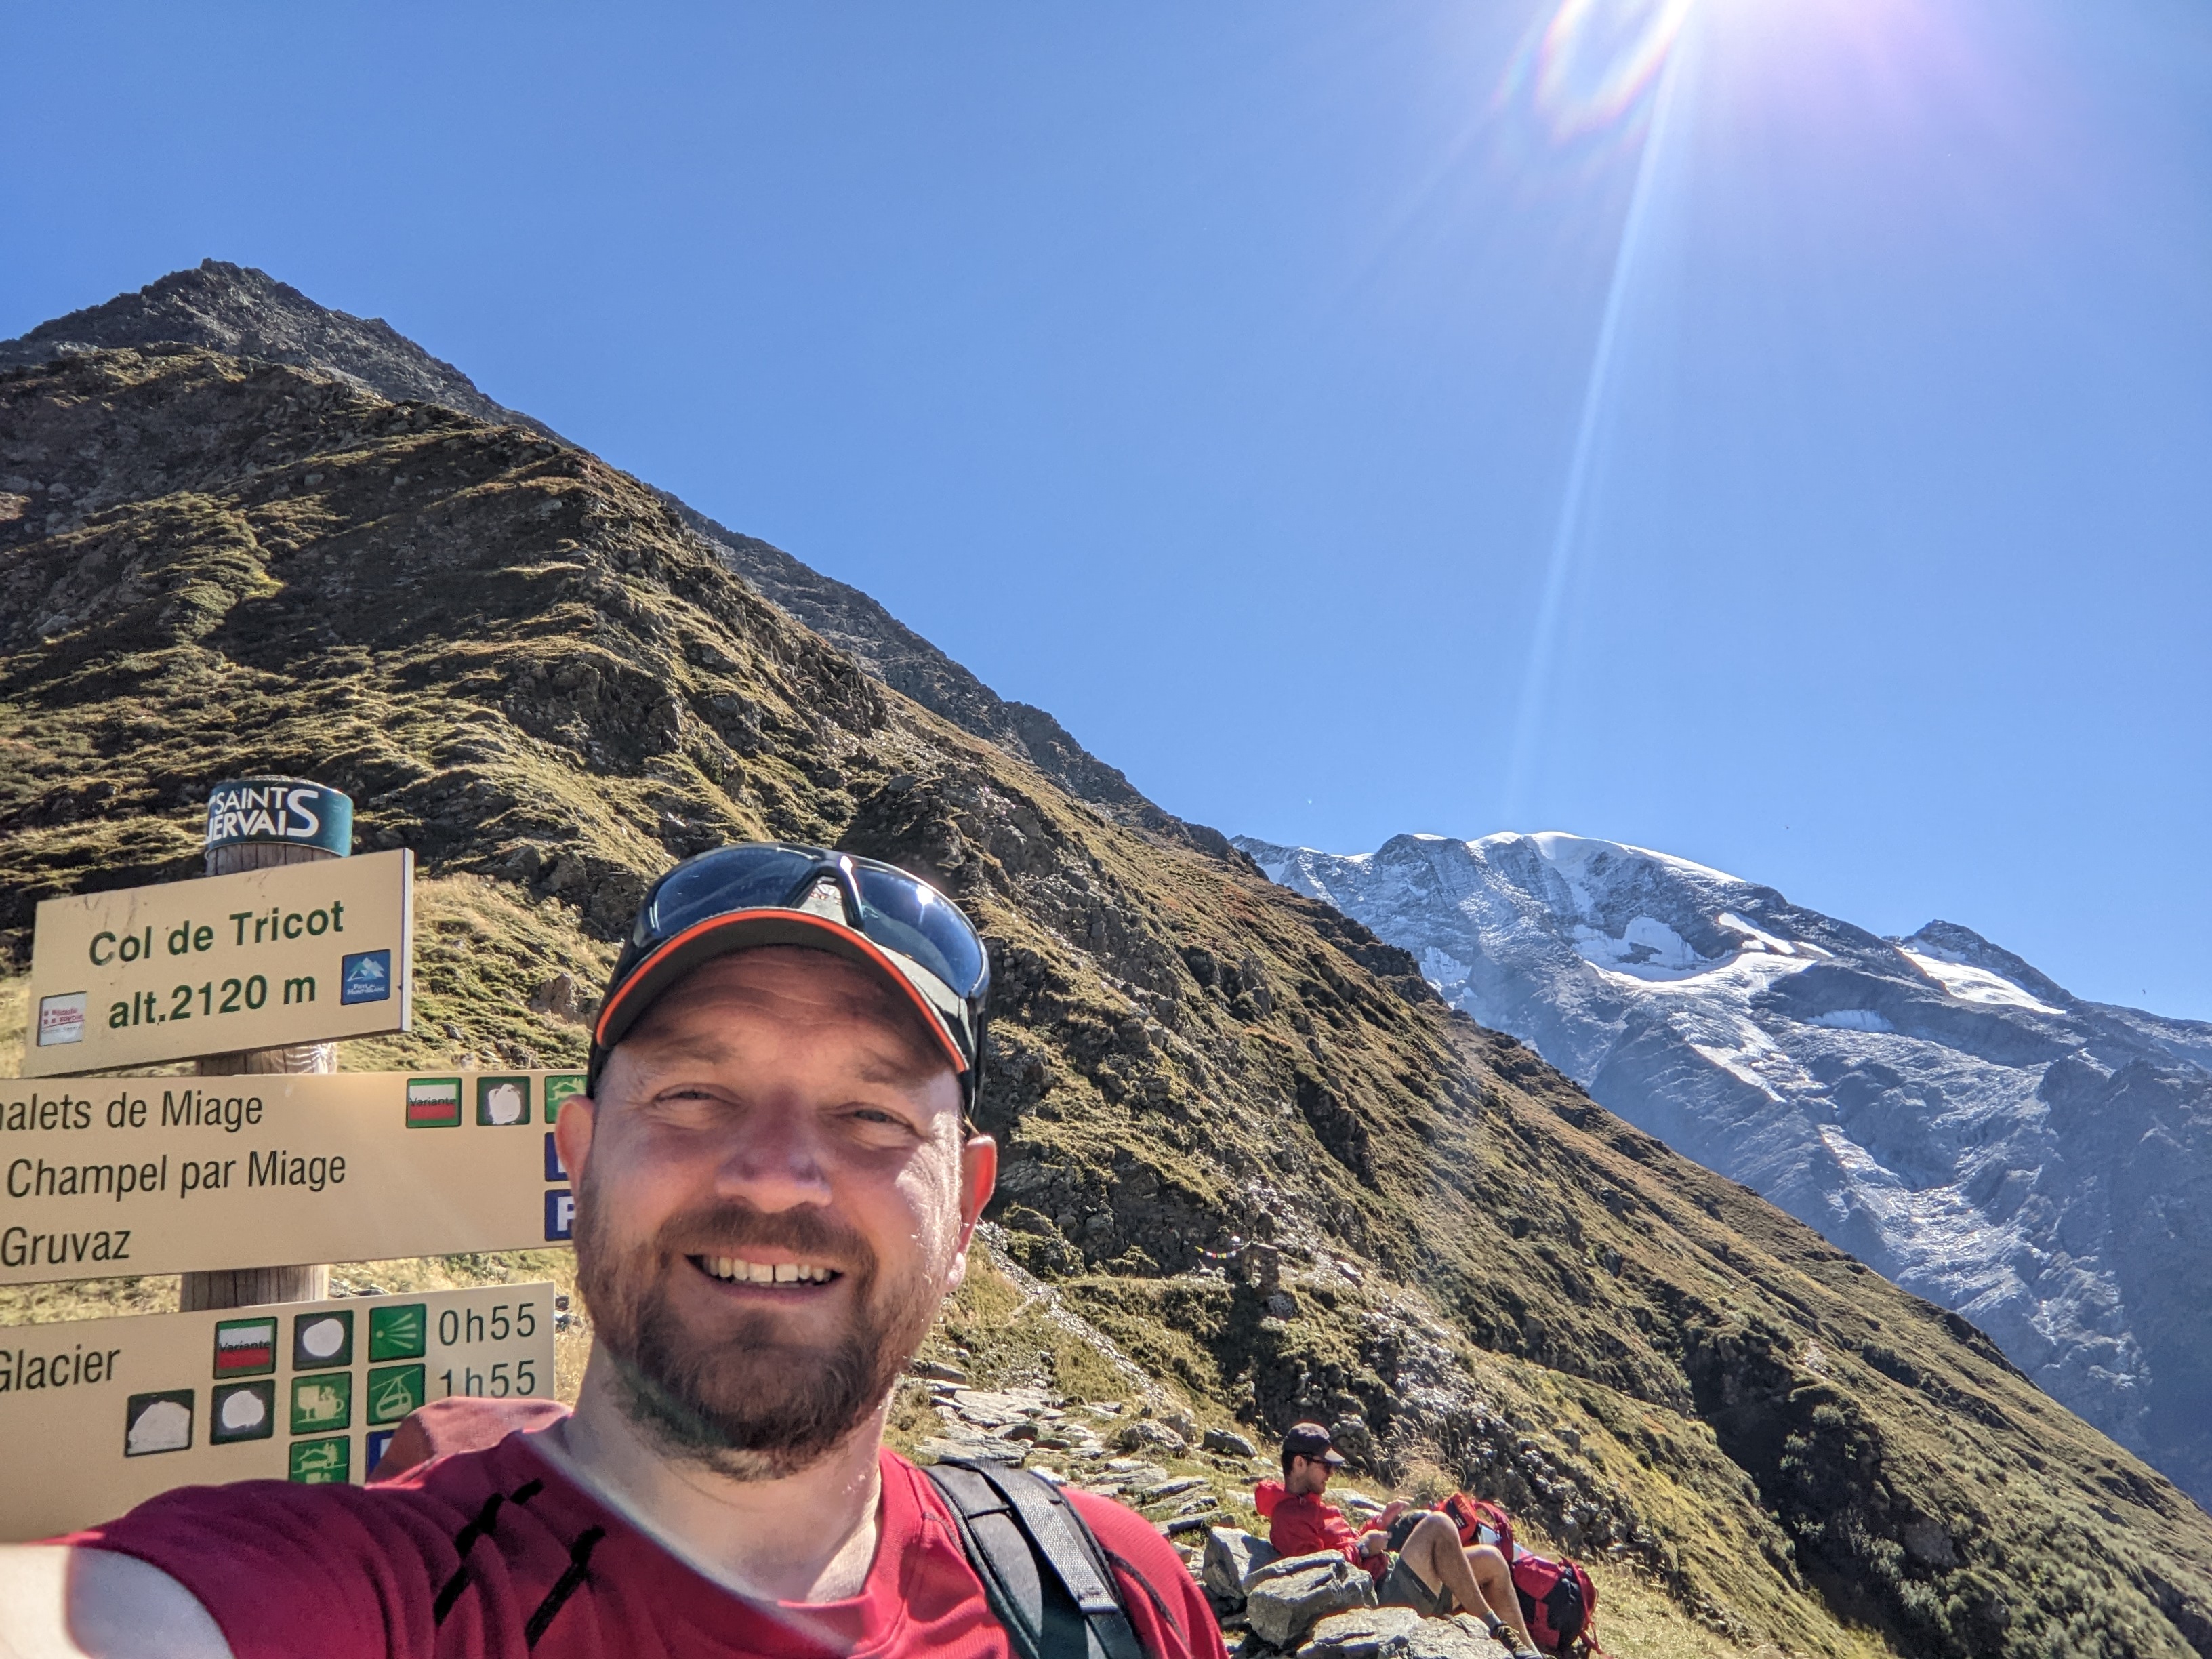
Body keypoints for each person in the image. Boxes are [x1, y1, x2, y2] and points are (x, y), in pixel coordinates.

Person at [0, 844, 1227, 1659]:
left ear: (962, 1208)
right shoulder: (381, 1590)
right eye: (693, 1091)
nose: (773, 1170)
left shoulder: (1107, 1594)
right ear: (576, 1156)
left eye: (869, 1115)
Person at [1253, 1423, 1540, 1658]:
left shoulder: (1312, 1503)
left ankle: (1531, 1653)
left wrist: (1377, 1524)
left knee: (1492, 1559)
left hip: (1389, 1578)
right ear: (1300, 1463)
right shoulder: (1289, 1518)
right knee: (1438, 1524)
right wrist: (1364, 1547)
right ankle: (1496, 1627)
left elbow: (1345, 1543)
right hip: (1379, 1599)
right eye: (1325, 1465)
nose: (1332, 1472)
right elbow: (1318, 1574)